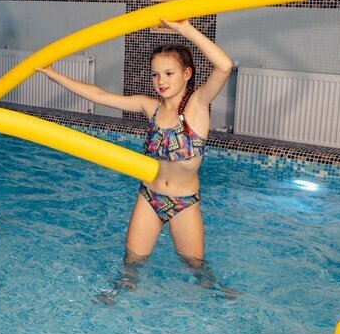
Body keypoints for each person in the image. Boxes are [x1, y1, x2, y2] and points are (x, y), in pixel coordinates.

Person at [37, 19, 235, 298]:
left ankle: (220, 294)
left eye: (169, 73)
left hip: (183, 202)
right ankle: (117, 295)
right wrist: (53, 74)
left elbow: (224, 66)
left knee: (196, 268)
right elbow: (99, 95)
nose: (161, 81)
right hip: (149, 196)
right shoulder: (150, 107)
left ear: (186, 74)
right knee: (131, 264)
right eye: (156, 75)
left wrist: (185, 29)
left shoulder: (197, 105)